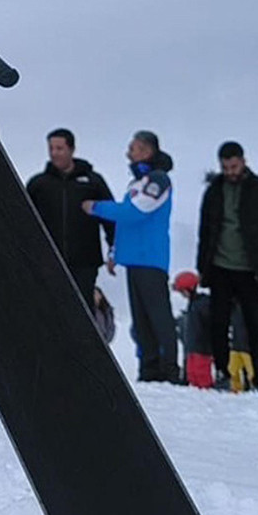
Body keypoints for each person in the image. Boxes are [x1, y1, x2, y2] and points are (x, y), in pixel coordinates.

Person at [83, 130, 180, 384]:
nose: (129, 153)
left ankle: (169, 370)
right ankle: (149, 371)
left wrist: (96, 207)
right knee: (141, 321)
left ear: (147, 151)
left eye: (134, 148)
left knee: (158, 317)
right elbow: (127, 224)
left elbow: (134, 212)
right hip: (134, 260)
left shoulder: (158, 180)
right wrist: (115, 252)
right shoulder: (138, 182)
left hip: (151, 259)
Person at [195, 141, 258, 394]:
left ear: (243, 161)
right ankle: (223, 373)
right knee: (219, 324)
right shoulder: (214, 190)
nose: (230, 172)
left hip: (252, 269)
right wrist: (202, 267)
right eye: (225, 167)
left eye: (233, 166)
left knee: (256, 325)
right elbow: (205, 231)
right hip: (220, 267)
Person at [26, 128, 117, 305]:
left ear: (72, 149)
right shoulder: (39, 184)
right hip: (48, 261)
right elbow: (23, 221)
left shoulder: (93, 182)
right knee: (50, 308)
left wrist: (115, 248)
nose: (54, 153)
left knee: (82, 309)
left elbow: (110, 217)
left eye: (59, 148)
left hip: (85, 261)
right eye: (51, 148)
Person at [173, 270, 250, 391]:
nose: (183, 295)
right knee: (193, 376)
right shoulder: (195, 304)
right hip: (193, 348)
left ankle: (210, 395)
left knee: (202, 377)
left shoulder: (204, 303)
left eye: (183, 291)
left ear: (190, 288)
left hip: (203, 348)